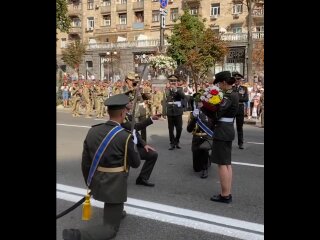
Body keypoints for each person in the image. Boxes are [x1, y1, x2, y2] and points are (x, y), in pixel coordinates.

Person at [62, 94, 141, 240]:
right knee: (110, 230)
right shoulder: (125, 136)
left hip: (97, 179)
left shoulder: (93, 131)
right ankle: (77, 235)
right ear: (123, 113)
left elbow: (85, 162)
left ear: (108, 112)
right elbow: (136, 163)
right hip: (115, 186)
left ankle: (118, 212)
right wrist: (133, 142)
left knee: (114, 208)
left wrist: (89, 181)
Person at [201, 71, 239, 204]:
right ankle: (227, 192)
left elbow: (217, 115)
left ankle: (225, 195)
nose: (218, 86)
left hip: (222, 130)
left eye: (218, 83)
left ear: (223, 82)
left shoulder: (228, 96)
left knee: (222, 164)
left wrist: (204, 107)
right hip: (227, 130)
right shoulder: (233, 94)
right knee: (227, 163)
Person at [123, 90, 160, 187]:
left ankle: (142, 178)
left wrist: (144, 144)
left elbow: (136, 133)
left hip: (135, 147)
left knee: (153, 154)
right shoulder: (122, 117)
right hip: (127, 148)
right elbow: (135, 127)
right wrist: (151, 119)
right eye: (130, 102)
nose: (132, 103)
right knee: (122, 181)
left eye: (132, 101)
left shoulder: (129, 115)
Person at [187, 93, 214, 178]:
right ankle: (207, 159)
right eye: (197, 102)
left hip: (206, 137)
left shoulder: (209, 114)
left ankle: (205, 169)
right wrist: (194, 118)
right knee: (196, 168)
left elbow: (212, 127)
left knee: (204, 151)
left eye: (201, 102)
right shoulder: (193, 114)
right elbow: (189, 129)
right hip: (196, 137)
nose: (199, 104)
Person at [163, 75, 185, 150]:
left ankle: (177, 141)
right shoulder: (167, 90)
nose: (173, 82)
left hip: (178, 111)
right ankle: (172, 143)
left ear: (176, 82)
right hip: (170, 111)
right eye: (171, 81)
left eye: (174, 81)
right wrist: (164, 113)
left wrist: (175, 89)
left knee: (179, 128)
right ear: (169, 82)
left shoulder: (180, 89)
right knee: (171, 128)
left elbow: (183, 96)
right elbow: (164, 100)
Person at [232, 72, 249, 149]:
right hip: (232, 108)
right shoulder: (231, 88)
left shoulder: (244, 88)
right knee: (229, 126)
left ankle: (240, 143)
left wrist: (236, 98)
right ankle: (229, 142)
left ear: (240, 80)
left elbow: (246, 99)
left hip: (240, 108)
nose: (237, 81)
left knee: (240, 127)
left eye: (238, 79)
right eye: (235, 79)